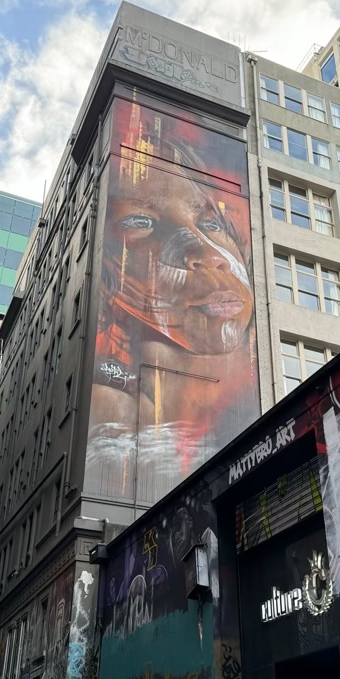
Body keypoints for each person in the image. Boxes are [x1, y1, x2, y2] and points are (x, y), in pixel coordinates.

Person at [87, 113, 256, 500]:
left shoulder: (241, 406)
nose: (210, 256)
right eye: (141, 220)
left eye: (210, 224)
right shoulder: (111, 413)